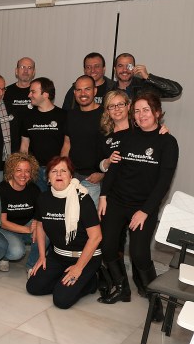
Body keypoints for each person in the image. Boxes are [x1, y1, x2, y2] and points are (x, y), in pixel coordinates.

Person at [98, 93, 178, 320]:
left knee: (139, 254)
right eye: (137, 111)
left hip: (143, 206)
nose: (141, 115)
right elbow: (114, 168)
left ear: (157, 113)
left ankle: (155, 301)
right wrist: (103, 195)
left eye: (146, 110)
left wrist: (145, 211)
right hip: (116, 200)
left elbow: (164, 183)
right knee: (107, 246)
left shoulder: (168, 142)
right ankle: (122, 288)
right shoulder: (126, 137)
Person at [26, 156, 103, 309]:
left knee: (61, 300)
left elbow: (96, 237)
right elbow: (40, 225)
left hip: (84, 258)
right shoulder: (43, 198)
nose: (59, 174)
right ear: (48, 178)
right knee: (33, 287)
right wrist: (42, 256)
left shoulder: (83, 199)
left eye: (64, 171)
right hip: (58, 256)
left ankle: (91, 281)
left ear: (71, 176)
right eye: (54, 171)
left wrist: (78, 268)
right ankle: (66, 281)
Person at [61, 75, 105, 205]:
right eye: (79, 90)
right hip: (72, 178)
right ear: (74, 93)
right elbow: (67, 144)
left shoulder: (106, 115)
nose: (83, 93)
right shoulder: (71, 114)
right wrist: (62, 170)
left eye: (87, 89)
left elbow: (115, 148)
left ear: (95, 91)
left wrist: (103, 174)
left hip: (94, 179)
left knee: (91, 217)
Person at [19, 77, 68, 192]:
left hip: (57, 171)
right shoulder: (27, 117)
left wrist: (61, 167)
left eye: (33, 92)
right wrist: (24, 168)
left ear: (45, 94)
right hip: (34, 171)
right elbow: (24, 145)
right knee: (38, 201)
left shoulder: (64, 116)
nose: (29, 95)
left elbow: (67, 144)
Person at [0, 153, 41, 277]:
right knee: (16, 252)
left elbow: (39, 214)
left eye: (27, 171)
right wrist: (28, 230)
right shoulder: (2, 189)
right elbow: (2, 222)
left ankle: (31, 266)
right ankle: (4, 256)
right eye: (19, 170)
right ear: (11, 171)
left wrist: (37, 226)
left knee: (43, 233)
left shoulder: (34, 189)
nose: (23, 175)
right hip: (5, 228)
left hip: (26, 224)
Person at [113, 53, 182, 100]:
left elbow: (176, 90)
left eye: (129, 66)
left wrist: (148, 77)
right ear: (115, 69)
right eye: (120, 66)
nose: (125, 70)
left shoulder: (145, 87)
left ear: (134, 68)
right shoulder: (109, 89)